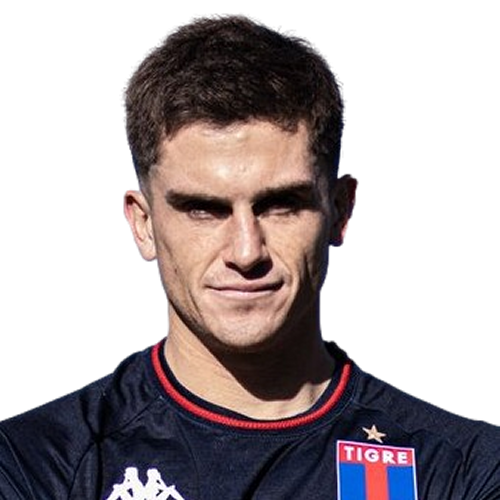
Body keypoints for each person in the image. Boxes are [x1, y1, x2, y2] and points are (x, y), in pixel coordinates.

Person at [0, 13, 498, 500]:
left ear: (341, 211)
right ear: (143, 225)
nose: (246, 251)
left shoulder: (458, 470)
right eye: (203, 209)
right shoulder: (36, 462)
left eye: (281, 205)